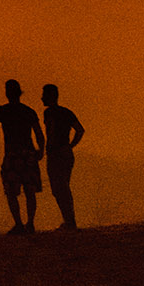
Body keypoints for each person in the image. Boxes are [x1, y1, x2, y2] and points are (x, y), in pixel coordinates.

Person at [0, 80, 44, 234]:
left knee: (11, 192)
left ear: (7, 93)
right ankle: (30, 223)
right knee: (30, 190)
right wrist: (41, 150)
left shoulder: (4, 112)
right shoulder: (29, 111)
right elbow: (39, 133)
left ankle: (19, 224)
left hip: (12, 154)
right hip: (28, 153)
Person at [41, 84, 85, 230]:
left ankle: (69, 221)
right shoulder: (66, 112)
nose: (41, 98)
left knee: (58, 188)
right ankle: (69, 220)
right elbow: (80, 130)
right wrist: (70, 146)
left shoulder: (49, 113)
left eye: (44, 95)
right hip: (66, 153)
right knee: (64, 187)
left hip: (56, 153)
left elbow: (51, 132)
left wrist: (51, 148)